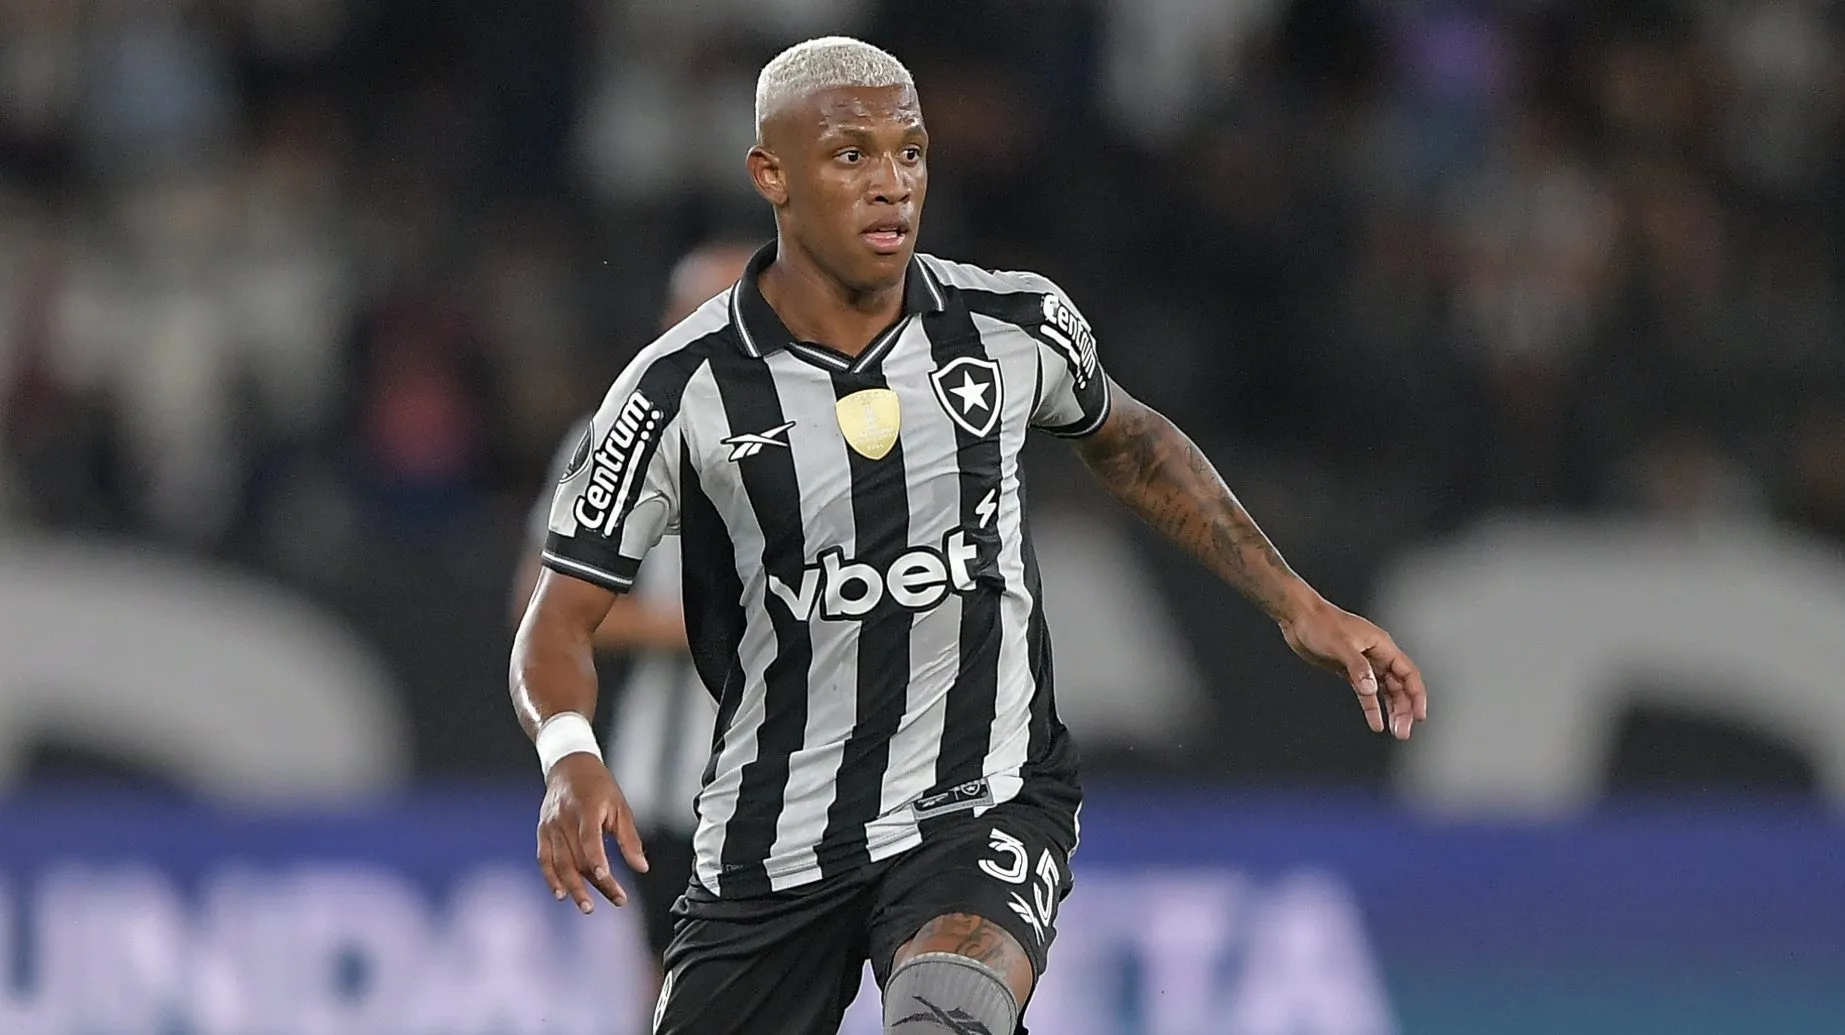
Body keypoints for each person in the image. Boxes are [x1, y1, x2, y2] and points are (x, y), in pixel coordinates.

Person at [511, 36, 1428, 1035]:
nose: (891, 183)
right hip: (774, 831)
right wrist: (568, 754)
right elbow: (554, 621)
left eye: (910, 152)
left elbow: (1133, 444)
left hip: (980, 797)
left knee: (947, 1013)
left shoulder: (1011, 324)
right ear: (771, 173)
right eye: (851, 155)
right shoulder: (671, 394)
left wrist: (1299, 604)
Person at [508, 242, 757, 997]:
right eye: (701, 314)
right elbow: (538, 608)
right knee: (679, 986)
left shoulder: (839, 428)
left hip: (818, 778)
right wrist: (698, 627)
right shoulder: (617, 437)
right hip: (673, 781)